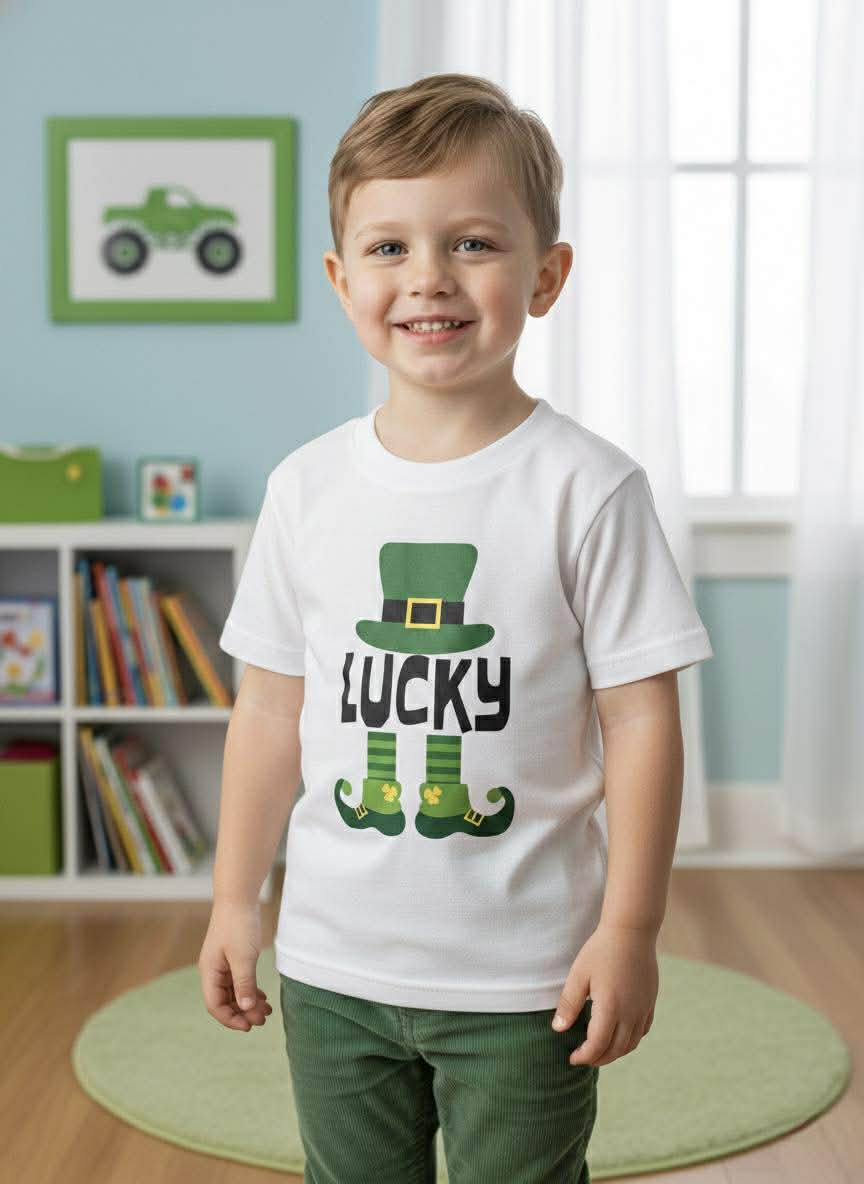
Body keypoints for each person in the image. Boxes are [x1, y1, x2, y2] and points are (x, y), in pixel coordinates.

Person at [198, 72, 714, 1184]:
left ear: (547, 275)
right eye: (388, 248)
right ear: (342, 280)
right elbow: (271, 712)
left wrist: (629, 927)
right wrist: (236, 901)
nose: (428, 277)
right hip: (335, 966)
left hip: (526, 972)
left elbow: (641, 721)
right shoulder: (305, 490)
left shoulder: (588, 489)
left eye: (473, 241)